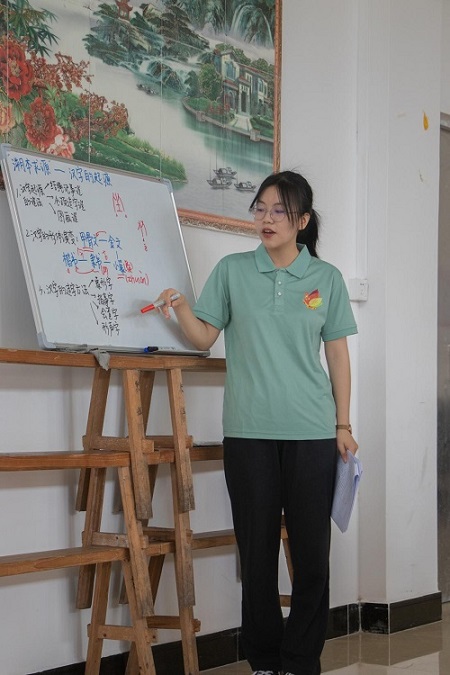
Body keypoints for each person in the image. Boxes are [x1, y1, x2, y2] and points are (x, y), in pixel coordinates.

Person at [157, 170, 358, 675]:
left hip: (313, 432)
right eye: (260, 208)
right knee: (258, 553)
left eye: (279, 211)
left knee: (312, 555)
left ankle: (301, 659)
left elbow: (337, 356)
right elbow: (204, 338)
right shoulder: (232, 271)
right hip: (248, 432)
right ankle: (266, 660)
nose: (267, 219)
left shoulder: (326, 279)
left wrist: (343, 425)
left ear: (302, 221)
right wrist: (179, 308)